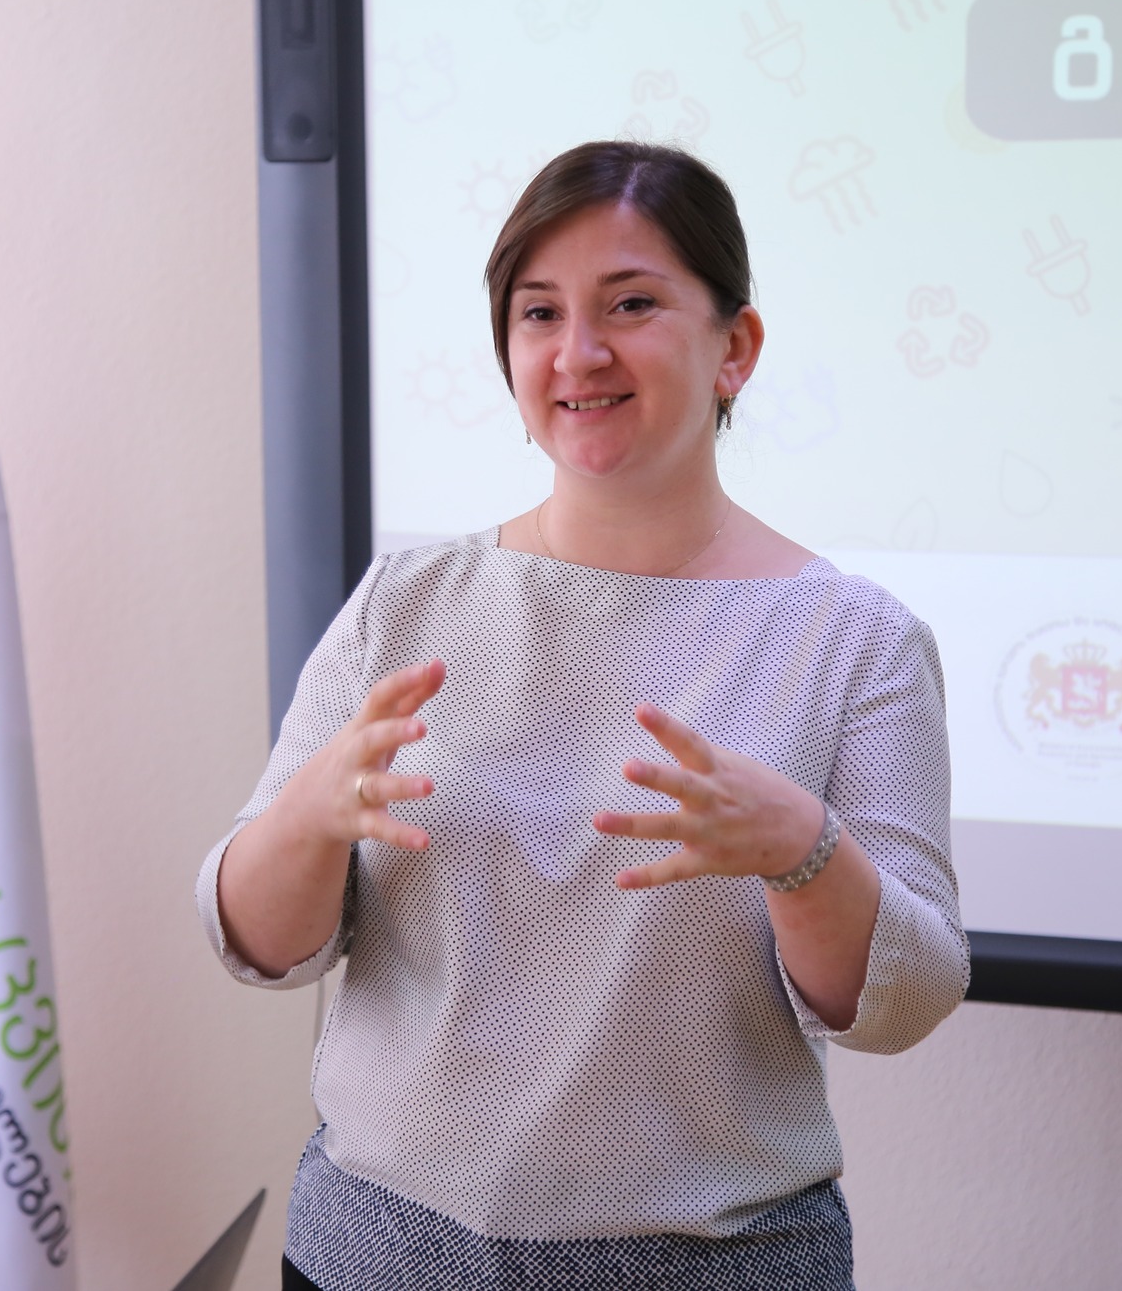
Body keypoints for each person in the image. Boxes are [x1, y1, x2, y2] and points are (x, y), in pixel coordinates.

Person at [195, 140, 968, 1291]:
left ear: (734, 348)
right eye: (538, 313)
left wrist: (803, 853)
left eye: (630, 304)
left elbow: (909, 998)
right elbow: (251, 944)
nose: (577, 353)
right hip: (373, 1256)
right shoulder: (404, 602)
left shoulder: (854, 642)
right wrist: (304, 820)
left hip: (716, 1265)